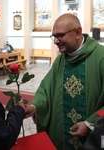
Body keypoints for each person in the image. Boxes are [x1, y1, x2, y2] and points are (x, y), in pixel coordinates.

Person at [25, 13, 104, 150]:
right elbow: (46, 89)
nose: (55, 41)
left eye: (60, 36)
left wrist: (90, 123)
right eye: (54, 36)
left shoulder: (101, 57)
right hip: (62, 137)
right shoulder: (61, 60)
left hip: (93, 137)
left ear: (78, 32)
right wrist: (34, 107)